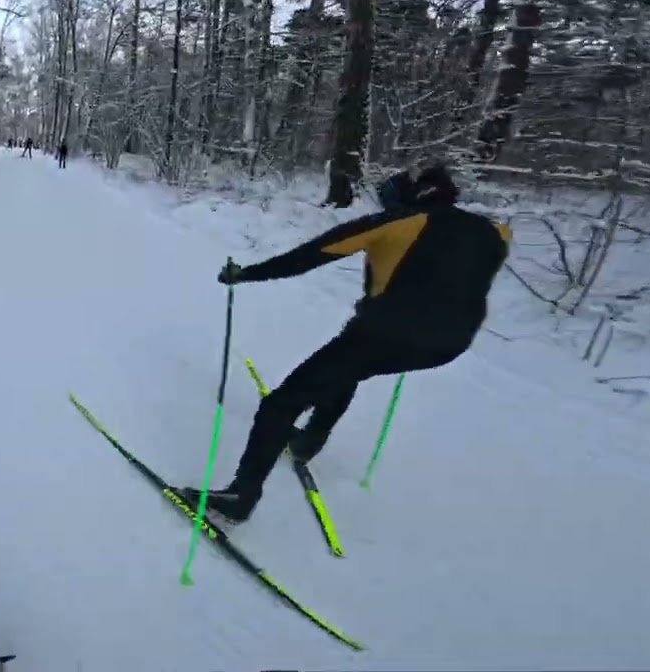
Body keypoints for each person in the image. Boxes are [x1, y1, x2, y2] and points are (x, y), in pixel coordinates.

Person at [176, 163, 513, 524]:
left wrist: (245, 274)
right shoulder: (496, 233)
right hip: (449, 345)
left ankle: (240, 497)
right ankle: (309, 440)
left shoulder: (399, 223)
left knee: (281, 404)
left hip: (385, 333)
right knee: (350, 363)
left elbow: (309, 256)